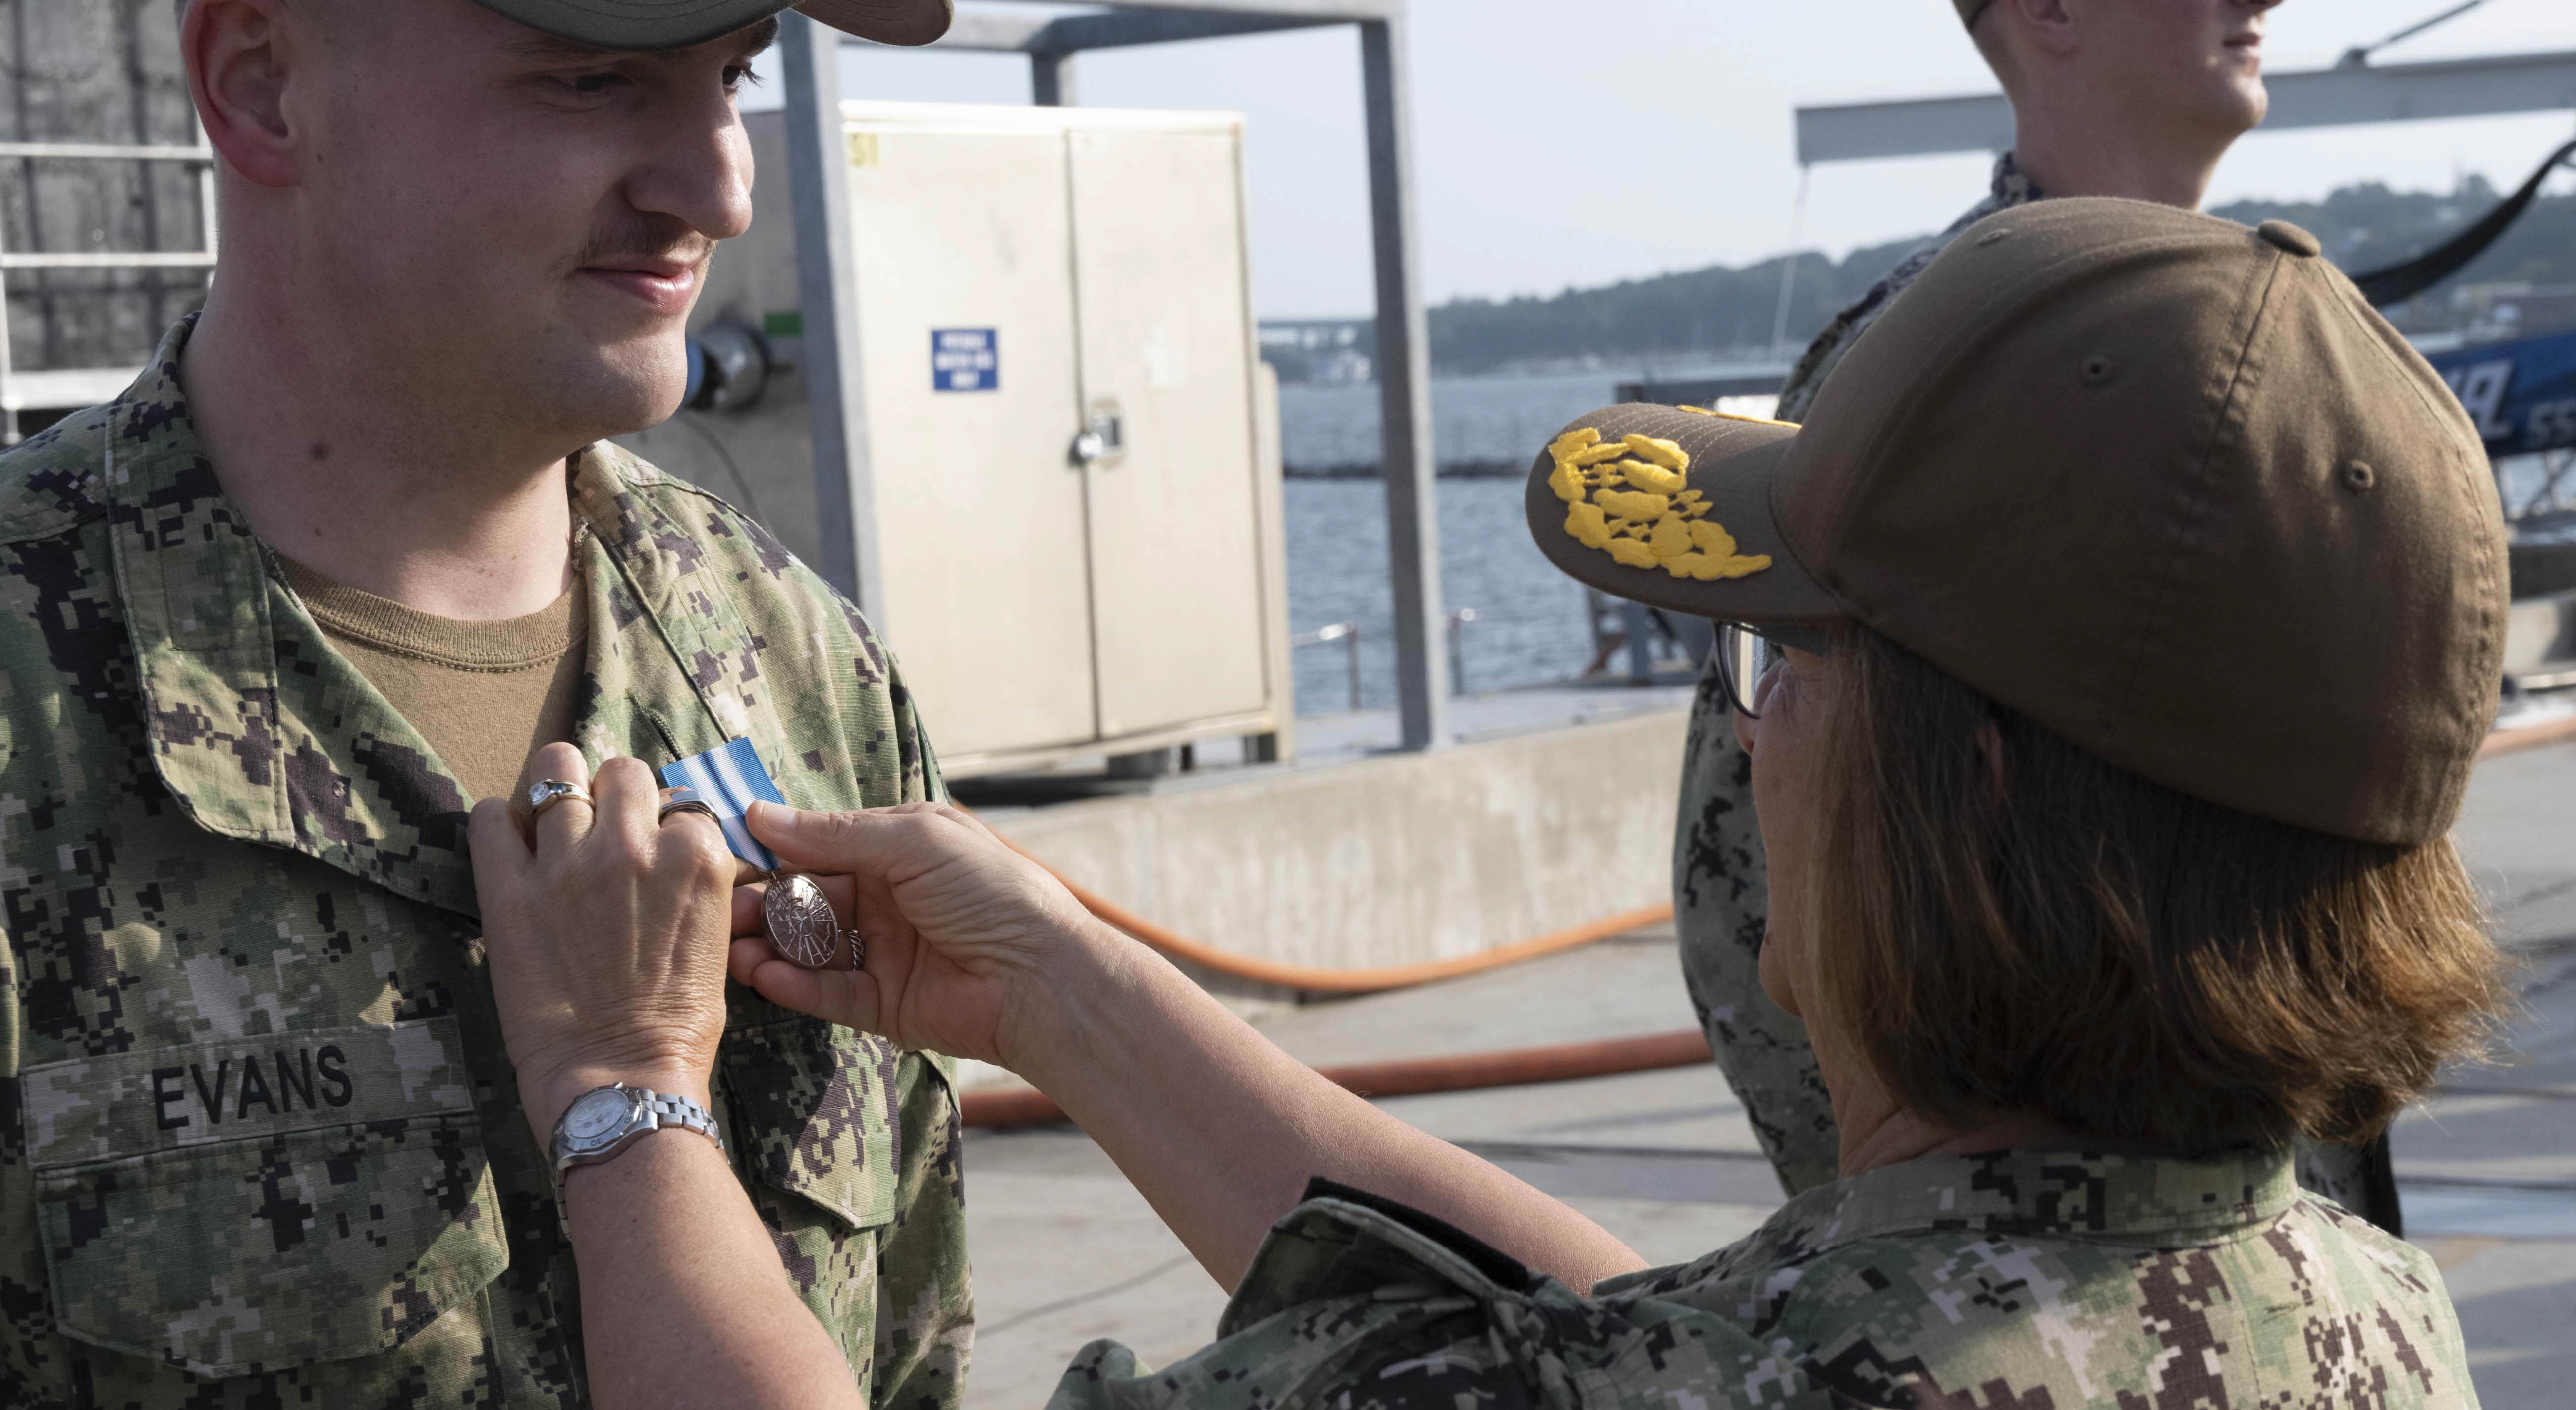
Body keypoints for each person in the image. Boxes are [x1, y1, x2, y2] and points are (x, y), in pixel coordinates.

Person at [473, 199, 2504, 1408]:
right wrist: (1061, 987)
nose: (1758, 733)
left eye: (1781, 664)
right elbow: (1654, 1329)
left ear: (1956, 796)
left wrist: (624, 1097)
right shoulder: (2353, 1312)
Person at [0, 0, 969, 1405]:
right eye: (591, 81)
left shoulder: (796, 660)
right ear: (263, 87)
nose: (720, 187)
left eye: (732, 76)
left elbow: (915, 1345)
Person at [1673, 0, 2424, 1225]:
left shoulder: (2260, 349)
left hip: (2262, 1236)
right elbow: (1755, 868)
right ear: (2048, 11)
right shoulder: (1928, 364)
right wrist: (1917, 1244)